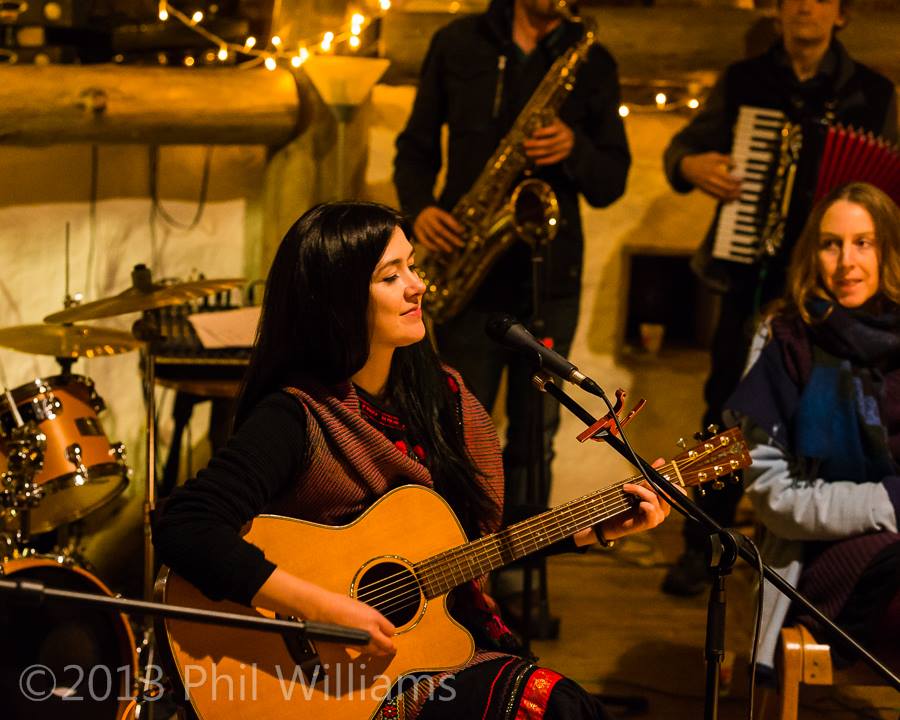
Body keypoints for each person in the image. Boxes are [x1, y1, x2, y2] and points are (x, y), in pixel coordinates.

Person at [153, 201, 671, 719]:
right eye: (390, 276)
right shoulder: (295, 415)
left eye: (413, 266)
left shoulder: (441, 397)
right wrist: (324, 607)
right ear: (337, 299)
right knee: (554, 708)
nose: (417, 285)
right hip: (328, 681)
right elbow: (185, 524)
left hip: (435, 647)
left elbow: (473, 536)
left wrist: (593, 529)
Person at [661, 0, 898, 596]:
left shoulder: (873, 94)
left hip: (839, 293)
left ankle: (821, 539)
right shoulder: (745, 80)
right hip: (756, 278)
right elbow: (681, 150)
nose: (804, 7)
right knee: (726, 409)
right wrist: (692, 165)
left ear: (841, 14)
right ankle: (703, 544)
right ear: (777, 12)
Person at [393, 0, 630, 518]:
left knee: (533, 442)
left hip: (549, 282)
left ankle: (527, 561)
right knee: (454, 433)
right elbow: (414, 148)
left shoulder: (593, 60)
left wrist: (575, 148)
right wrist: (421, 209)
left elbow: (613, 180)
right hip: (467, 275)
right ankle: (456, 555)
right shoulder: (457, 42)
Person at [725, 182, 900, 680]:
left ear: (887, 250)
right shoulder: (786, 338)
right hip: (813, 556)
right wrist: (888, 503)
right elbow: (773, 497)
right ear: (812, 253)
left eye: (863, 243)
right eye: (831, 244)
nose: (847, 262)